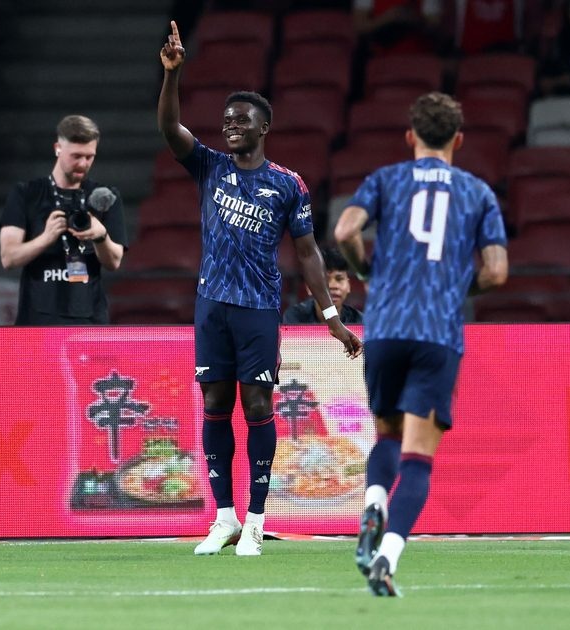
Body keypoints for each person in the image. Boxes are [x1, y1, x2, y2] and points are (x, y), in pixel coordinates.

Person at [158, 21, 362, 557]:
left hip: (257, 308)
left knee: (256, 406)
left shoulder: (287, 184)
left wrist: (330, 317)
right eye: (225, 120)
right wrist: (172, 76)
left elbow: (309, 253)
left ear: (264, 126)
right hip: (212, 306)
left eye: (241, 120)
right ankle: (223, 518)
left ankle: (255, 520)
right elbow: (169, 127)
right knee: (215, 402)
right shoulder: (209, 167)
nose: (230, 127)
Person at [333, 92, 508, 596]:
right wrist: (457, 286)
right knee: (417, 459)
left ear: (410, 136)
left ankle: (372, 501)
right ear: (458, 139)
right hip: (436, 332)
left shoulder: (385, 179)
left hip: (385, 327)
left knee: (385, 434)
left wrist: (367, 268)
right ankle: (386, 558)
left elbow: (345, 229)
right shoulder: (478, 193)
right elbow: (496, 272)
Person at [0, 115, 127, 325]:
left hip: (89, 318)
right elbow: (8, 257)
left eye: (89, 156)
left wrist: (100, 236)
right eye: (76, 156)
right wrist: (46, 238)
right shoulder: (25, 193)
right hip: (37, 320)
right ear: (58, 148)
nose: (83, 163)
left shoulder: (105, 196)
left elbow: (114, 261)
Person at [282, 245, 363, 325]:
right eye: (325, 280)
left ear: (348, 286)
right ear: (309, 287)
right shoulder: (295, 317)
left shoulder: (359, 321)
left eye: (339, 279)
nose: (333, 286)